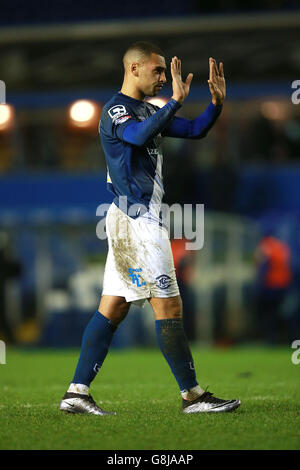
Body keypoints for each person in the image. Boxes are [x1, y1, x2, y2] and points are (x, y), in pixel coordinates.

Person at [60, 41, 241, 415]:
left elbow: (194, 130)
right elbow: (137, 137)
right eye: (157, 70)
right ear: (134, 69)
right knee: (168, 304)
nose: (163, 77)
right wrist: (173, 101)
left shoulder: (144, 109)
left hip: (134, 219)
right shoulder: (117, 109)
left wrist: (216, 105)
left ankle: (76, 392)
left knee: (112, 308)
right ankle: (191, 396)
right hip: (136, 218)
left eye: (164, 71)